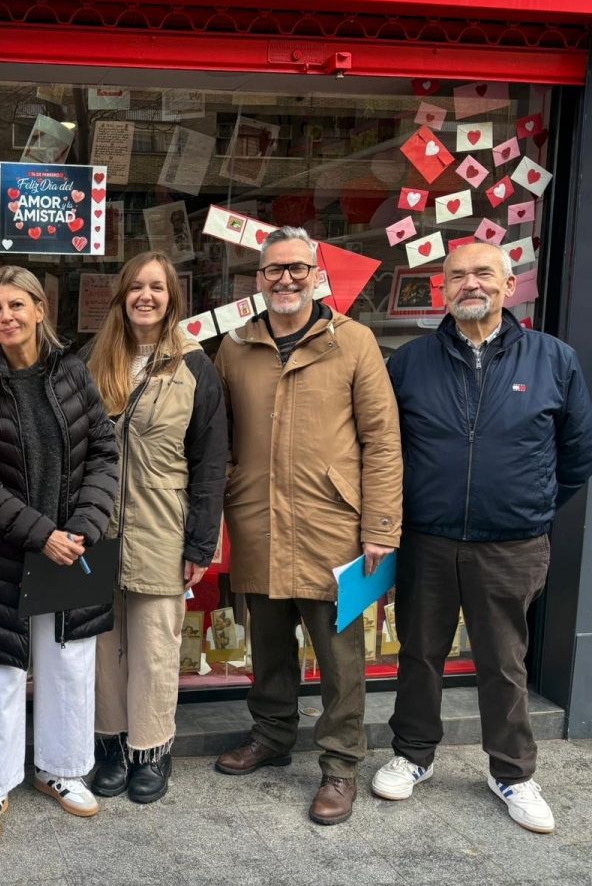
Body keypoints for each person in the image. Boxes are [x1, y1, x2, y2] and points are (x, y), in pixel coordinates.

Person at [373, 242, 592, 833]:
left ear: (509, 284)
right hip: (426, 537)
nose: (470, 284)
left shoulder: (553, 358)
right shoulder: (410, 361)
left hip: (512, 543)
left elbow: (576, 454)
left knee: (504, 661)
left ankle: (513, 773)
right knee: (420, 654)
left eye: (483, 274)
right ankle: (412, 755)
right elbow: (385, 450)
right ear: (442, 289)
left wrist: (531, 506)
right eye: (457, 275)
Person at [212, 226, 402, 826]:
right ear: (258, 279)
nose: (285, 280)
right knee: (267, 644)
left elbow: (383, 440)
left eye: (297, 268)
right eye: (273, 271)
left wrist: (381, 526)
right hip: (257, 518)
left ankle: (342, 764)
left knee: (339, 655)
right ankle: (271, 735)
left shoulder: (355, 342)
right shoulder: (235, 346)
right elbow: (216, 441)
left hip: (335, 527)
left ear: (316, 276)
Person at [0, 266, 119, 844]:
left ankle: (62, 770)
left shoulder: (71, 372)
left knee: (69, 663)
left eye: (16, 305)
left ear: (40, 309)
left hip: (72, 548)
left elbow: (104, 447)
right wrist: (40, 532)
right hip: (5, 552)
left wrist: (86, 524)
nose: (6, 318)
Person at [85, 251, 227, 803]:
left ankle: (151, 752)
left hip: (163, 526)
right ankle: (111, 748)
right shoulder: (94, 361)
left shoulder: (195, 367)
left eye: (158, 288)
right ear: (121, 296)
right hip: (98, 527)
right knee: (101, 646)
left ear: (172, 299)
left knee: (153, 646)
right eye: (136, 287)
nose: (146, 296)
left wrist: (200, 542)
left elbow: (211, 461)